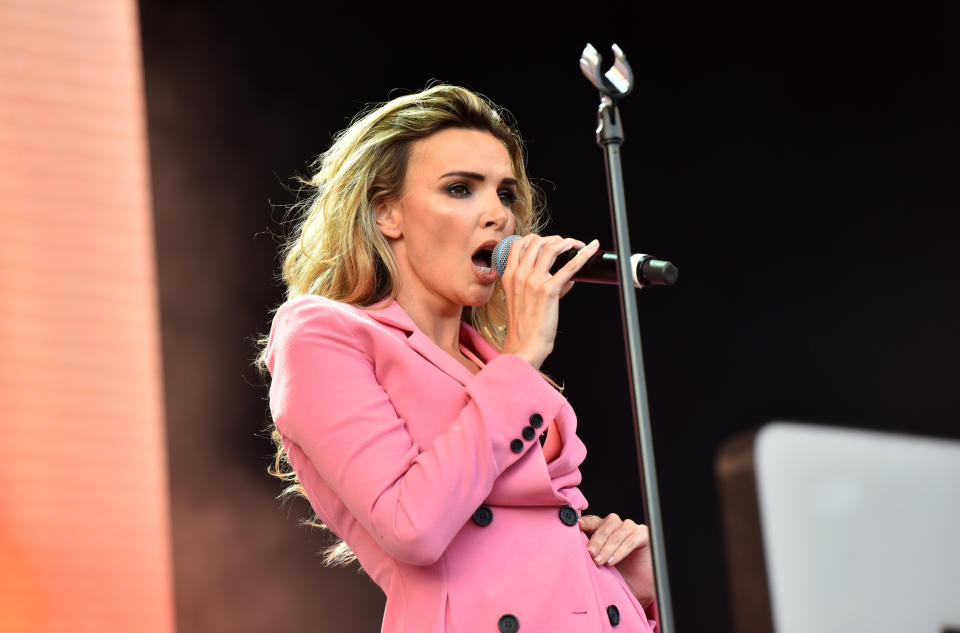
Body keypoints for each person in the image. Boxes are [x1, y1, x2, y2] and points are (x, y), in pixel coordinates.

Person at [260, 84, 657, 633]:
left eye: (505, 194)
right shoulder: (322, 333)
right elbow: (412, 525)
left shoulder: (487, 359)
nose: (497, 214)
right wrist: (522, 359)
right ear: (386, 214)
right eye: (460, 189)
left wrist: (631, 584)